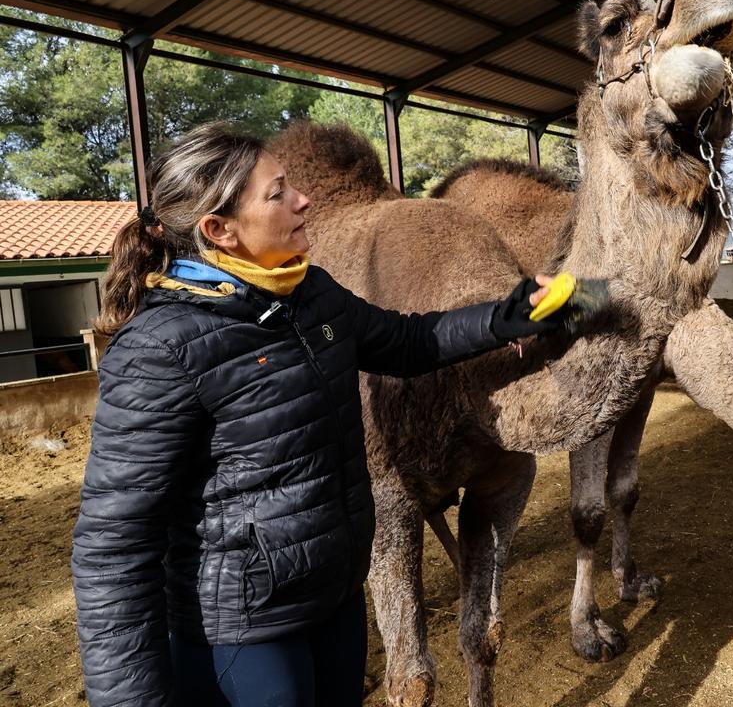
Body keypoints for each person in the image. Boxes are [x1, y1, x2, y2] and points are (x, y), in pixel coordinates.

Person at [72, 123, 560, 707]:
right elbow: (113, 545)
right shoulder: (161, 347)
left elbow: (408, 342)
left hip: (336, 599)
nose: (303, 201)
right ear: (218, 230)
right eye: (278, 194)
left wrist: (509, 316)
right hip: (245, 632)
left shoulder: (309, 294)